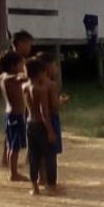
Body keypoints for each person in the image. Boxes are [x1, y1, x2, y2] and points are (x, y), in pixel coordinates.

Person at [23, 56, 58, 196]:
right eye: (44, 73)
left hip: (30, 124)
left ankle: (34, 186)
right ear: (39, 73)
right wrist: (50, 131)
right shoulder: (41, 89)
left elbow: (27, 110)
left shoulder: (24, 87)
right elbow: (44, 112)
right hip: (41, 125)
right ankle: (51, 186)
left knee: (34, 156)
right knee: (50, 156)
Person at [0, 30, 34, 169]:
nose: (29, 48)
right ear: (20, 44)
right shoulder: (11, 62)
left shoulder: (20, 61)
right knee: (14, 134)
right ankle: (8, 161)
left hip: (22, 102)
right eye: (28, 44)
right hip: (15, 105)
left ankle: (21, 158)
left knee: (14, 133)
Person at [0, 51, 28, 183]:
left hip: (13, 115)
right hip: (14, 116)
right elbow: (14, 78)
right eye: (22, 64)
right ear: (13, 65)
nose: (23, 66)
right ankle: (13, 173)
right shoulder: (7, 77)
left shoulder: (7, 76)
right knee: (14, 147)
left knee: (13, 146)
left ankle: (13, 171)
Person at [41, 53, 67, 190]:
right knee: (51, 153)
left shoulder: (35, 83)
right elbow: (54, 106)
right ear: (48, 67)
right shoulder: (51, 85)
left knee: (42, 153)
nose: (56, 68)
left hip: (39, 121)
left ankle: (41, 178)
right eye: (55, 65)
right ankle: (51, 183)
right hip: (52, 119)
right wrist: (61, 101)